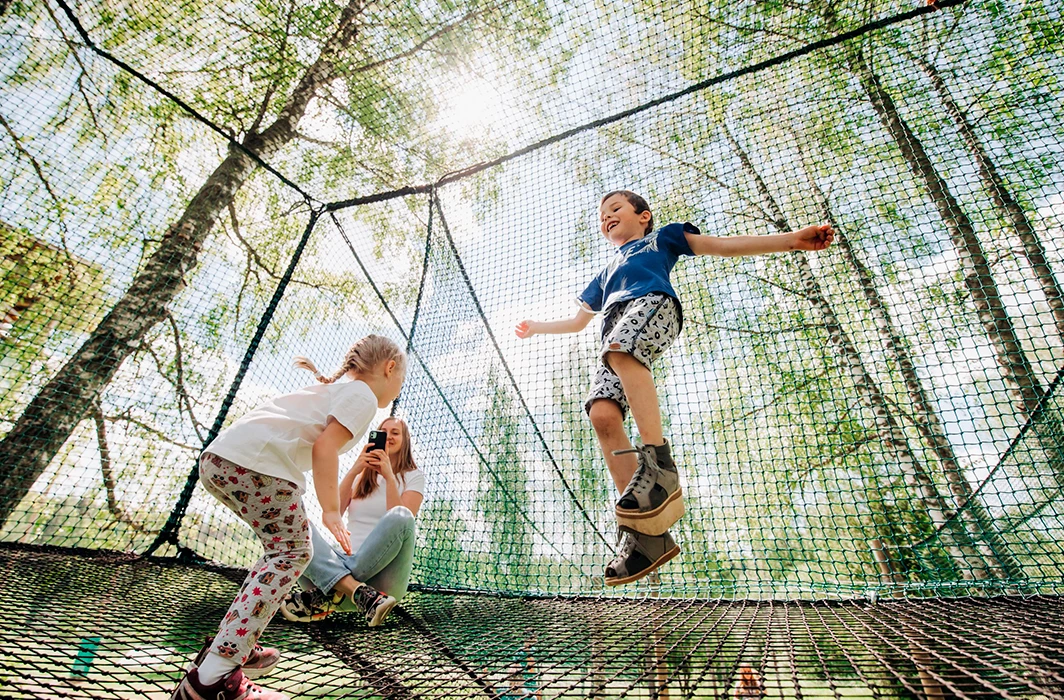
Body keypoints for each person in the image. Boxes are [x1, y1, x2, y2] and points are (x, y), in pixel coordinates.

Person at [515, 191, 833, 586]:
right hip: (614, 326)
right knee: (602, 413)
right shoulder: (604, 273)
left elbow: (721, 246)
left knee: (621, 349)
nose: (607, 217)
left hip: (652, 306)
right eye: (602, 216)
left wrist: (791, 240)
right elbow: (578, 321)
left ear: (643, 216)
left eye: (615, 209)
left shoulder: (661, 238)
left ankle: (659, 464)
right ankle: (646, 537)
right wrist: (536, 327)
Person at [171, 334, 407, 700]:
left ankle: (232, 643)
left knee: (283, 552)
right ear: (390, 368)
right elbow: (324, 447)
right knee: (293, 553)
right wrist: (330, 510)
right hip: (257, 465)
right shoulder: (362, 396)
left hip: (223, 461)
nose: (396, 390)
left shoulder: (337, 392)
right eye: (400, 381)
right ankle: (212, 679)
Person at [278, 416, 423, 624]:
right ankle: (354, 590)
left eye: (395, 432)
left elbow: (402, 522)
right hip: (362, 590)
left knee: (402, 516)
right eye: (383, 432)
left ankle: (335, 587)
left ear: (405, 440)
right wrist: (357, 468)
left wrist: (389, 476)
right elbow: (331, 514)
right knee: (298, 524)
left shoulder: (413, 476)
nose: (388, 437)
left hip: (382, 584)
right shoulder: (361, 478)